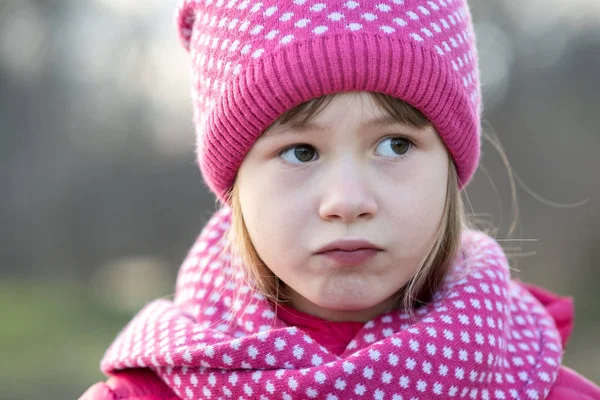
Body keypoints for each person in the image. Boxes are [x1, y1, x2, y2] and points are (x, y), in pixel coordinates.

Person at [80, 0, 600, 399]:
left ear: (450, 165)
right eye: (301, 151)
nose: (347, 202)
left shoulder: (533, 385)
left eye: (395, 144)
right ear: (235, 181)